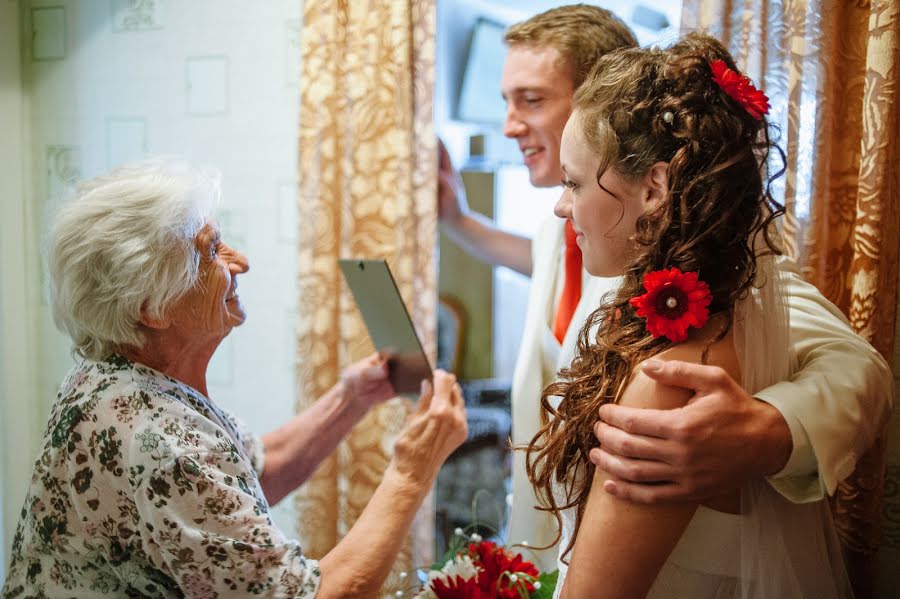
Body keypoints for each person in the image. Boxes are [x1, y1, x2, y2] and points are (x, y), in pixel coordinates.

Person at [437, 4, 892, 569]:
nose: (508, 124)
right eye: (507, 101)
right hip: (550, 545)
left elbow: (858, 368)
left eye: (531, 100)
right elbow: (551, 282)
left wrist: (769, 433)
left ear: (598, 99)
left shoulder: (708, 258)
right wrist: (458, 223)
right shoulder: (563, 230)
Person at [1, 160, 469, 598]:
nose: (239, 261)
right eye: (210, 251)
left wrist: (350, 399)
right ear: (152, 308)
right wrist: (411, 471)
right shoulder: (157, 438)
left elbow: (256, 473)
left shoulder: (123, 381)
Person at [528, 33, 854, 598]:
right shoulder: (677, 304)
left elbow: (859, 367)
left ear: (654, 187)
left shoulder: (670, 380)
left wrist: (773, 432)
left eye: (574, 183)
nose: (561, 206)